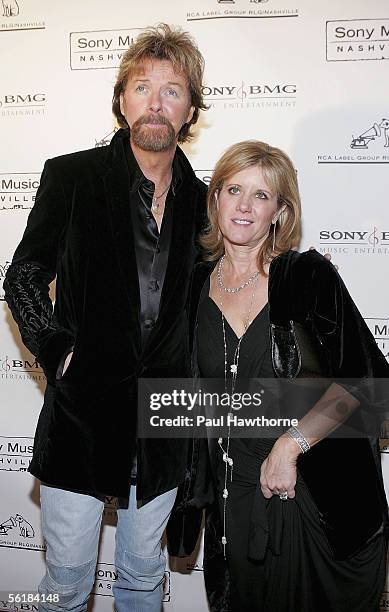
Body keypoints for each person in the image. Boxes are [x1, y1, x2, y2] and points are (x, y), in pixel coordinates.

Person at [4, 23, 208, 612]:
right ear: (122, 101)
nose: (156, 101)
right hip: (82, 417)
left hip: (166, 422)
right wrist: (55, 346)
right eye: (142, 86)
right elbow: (22, 275)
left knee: (144, 577)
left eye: (172, 90)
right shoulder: (72, 177)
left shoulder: (205, 200)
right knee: (65, 584)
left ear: (190, 108)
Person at [184, 140, 389, 611]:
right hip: (234, 499)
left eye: (261, 195)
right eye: (233, 189)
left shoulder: (308, 276)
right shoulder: (195, 284)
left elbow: (368, 384)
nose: (243, 206)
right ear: (214, 199)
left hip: (314, 498)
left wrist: (290, 444)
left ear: (279, 211)